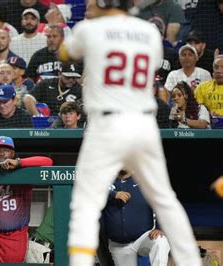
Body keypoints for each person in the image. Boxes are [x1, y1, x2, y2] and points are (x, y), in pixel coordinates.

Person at [58, 1, 201, 265]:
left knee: (85, 206)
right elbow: (153, 61)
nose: (89, 6)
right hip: (143, 123)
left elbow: (65, 52)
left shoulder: (90, 29)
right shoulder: (148, 32)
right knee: (165, 200)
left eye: (93, 2)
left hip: (107, 124)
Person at [102, 170, 170, 266]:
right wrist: (113, 194)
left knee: (160, 241)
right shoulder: (105, 180)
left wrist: (160, 227)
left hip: (144, 238)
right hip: (119, 245)